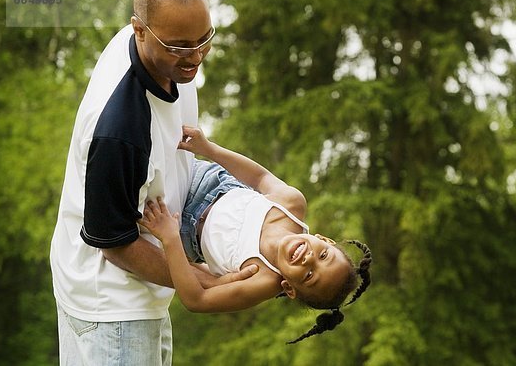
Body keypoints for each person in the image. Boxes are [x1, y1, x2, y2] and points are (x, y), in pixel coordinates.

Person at [49, 0, 255, 366]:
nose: (195, 57)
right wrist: (206, 280)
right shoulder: (119, 128)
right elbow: (115, 245)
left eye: (204, 39)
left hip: (141, 293)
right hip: (111, 307)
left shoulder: (167, 50)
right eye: (180, 46)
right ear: (138, 30)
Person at [138, 126, 373, 344]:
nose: (308, 259)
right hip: (206, 180)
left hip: (178, 227)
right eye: (323, 255)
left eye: (309, 275)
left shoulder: (262, 281)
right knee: (156, 139)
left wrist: (170, 239)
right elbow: (259, 177)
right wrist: (209, 148)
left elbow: (196, 300)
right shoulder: (292, 206)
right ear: (324, 240)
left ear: (289, 288)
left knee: (135, 181)